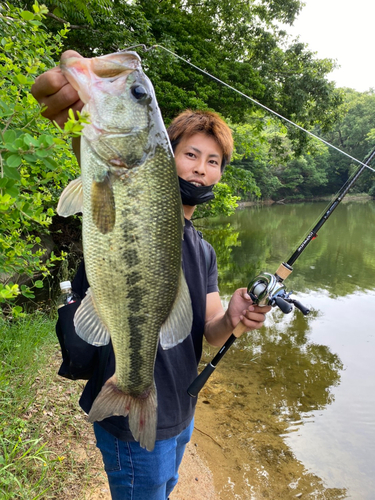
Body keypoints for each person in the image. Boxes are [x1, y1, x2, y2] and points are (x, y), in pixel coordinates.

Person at [31, 50, 272, 500]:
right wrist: (78, 120)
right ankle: (129, 386)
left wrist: (235, 315)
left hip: (179, 410)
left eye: (214, 161)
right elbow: (95, 146)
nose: (201, 167)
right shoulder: (114, 174)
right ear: (165, 155)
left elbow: (211, 332)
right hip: (130, 419)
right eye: (191, 154)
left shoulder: (203, 250)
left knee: (165, 488)